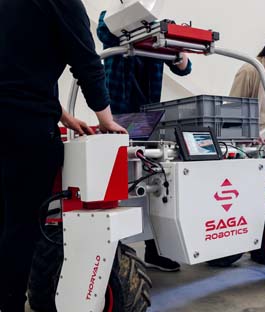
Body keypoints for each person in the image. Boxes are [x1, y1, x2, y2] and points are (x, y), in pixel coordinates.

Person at [0, 0, 127, 311]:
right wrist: (106, 119)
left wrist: (65, 116)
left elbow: (16, 70)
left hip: (13, 118)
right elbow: (86, 62)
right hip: (25, 129)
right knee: (21, 226)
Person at [97, 10, 192, 272]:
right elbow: (103, 32)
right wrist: (135, 22)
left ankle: (153, 250)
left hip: (147, 116)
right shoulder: (111, 18)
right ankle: (111, 250)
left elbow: (185, 68)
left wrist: (179, 55)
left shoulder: (162, 26)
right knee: (114, 184)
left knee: (152, 182)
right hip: (115, 114)